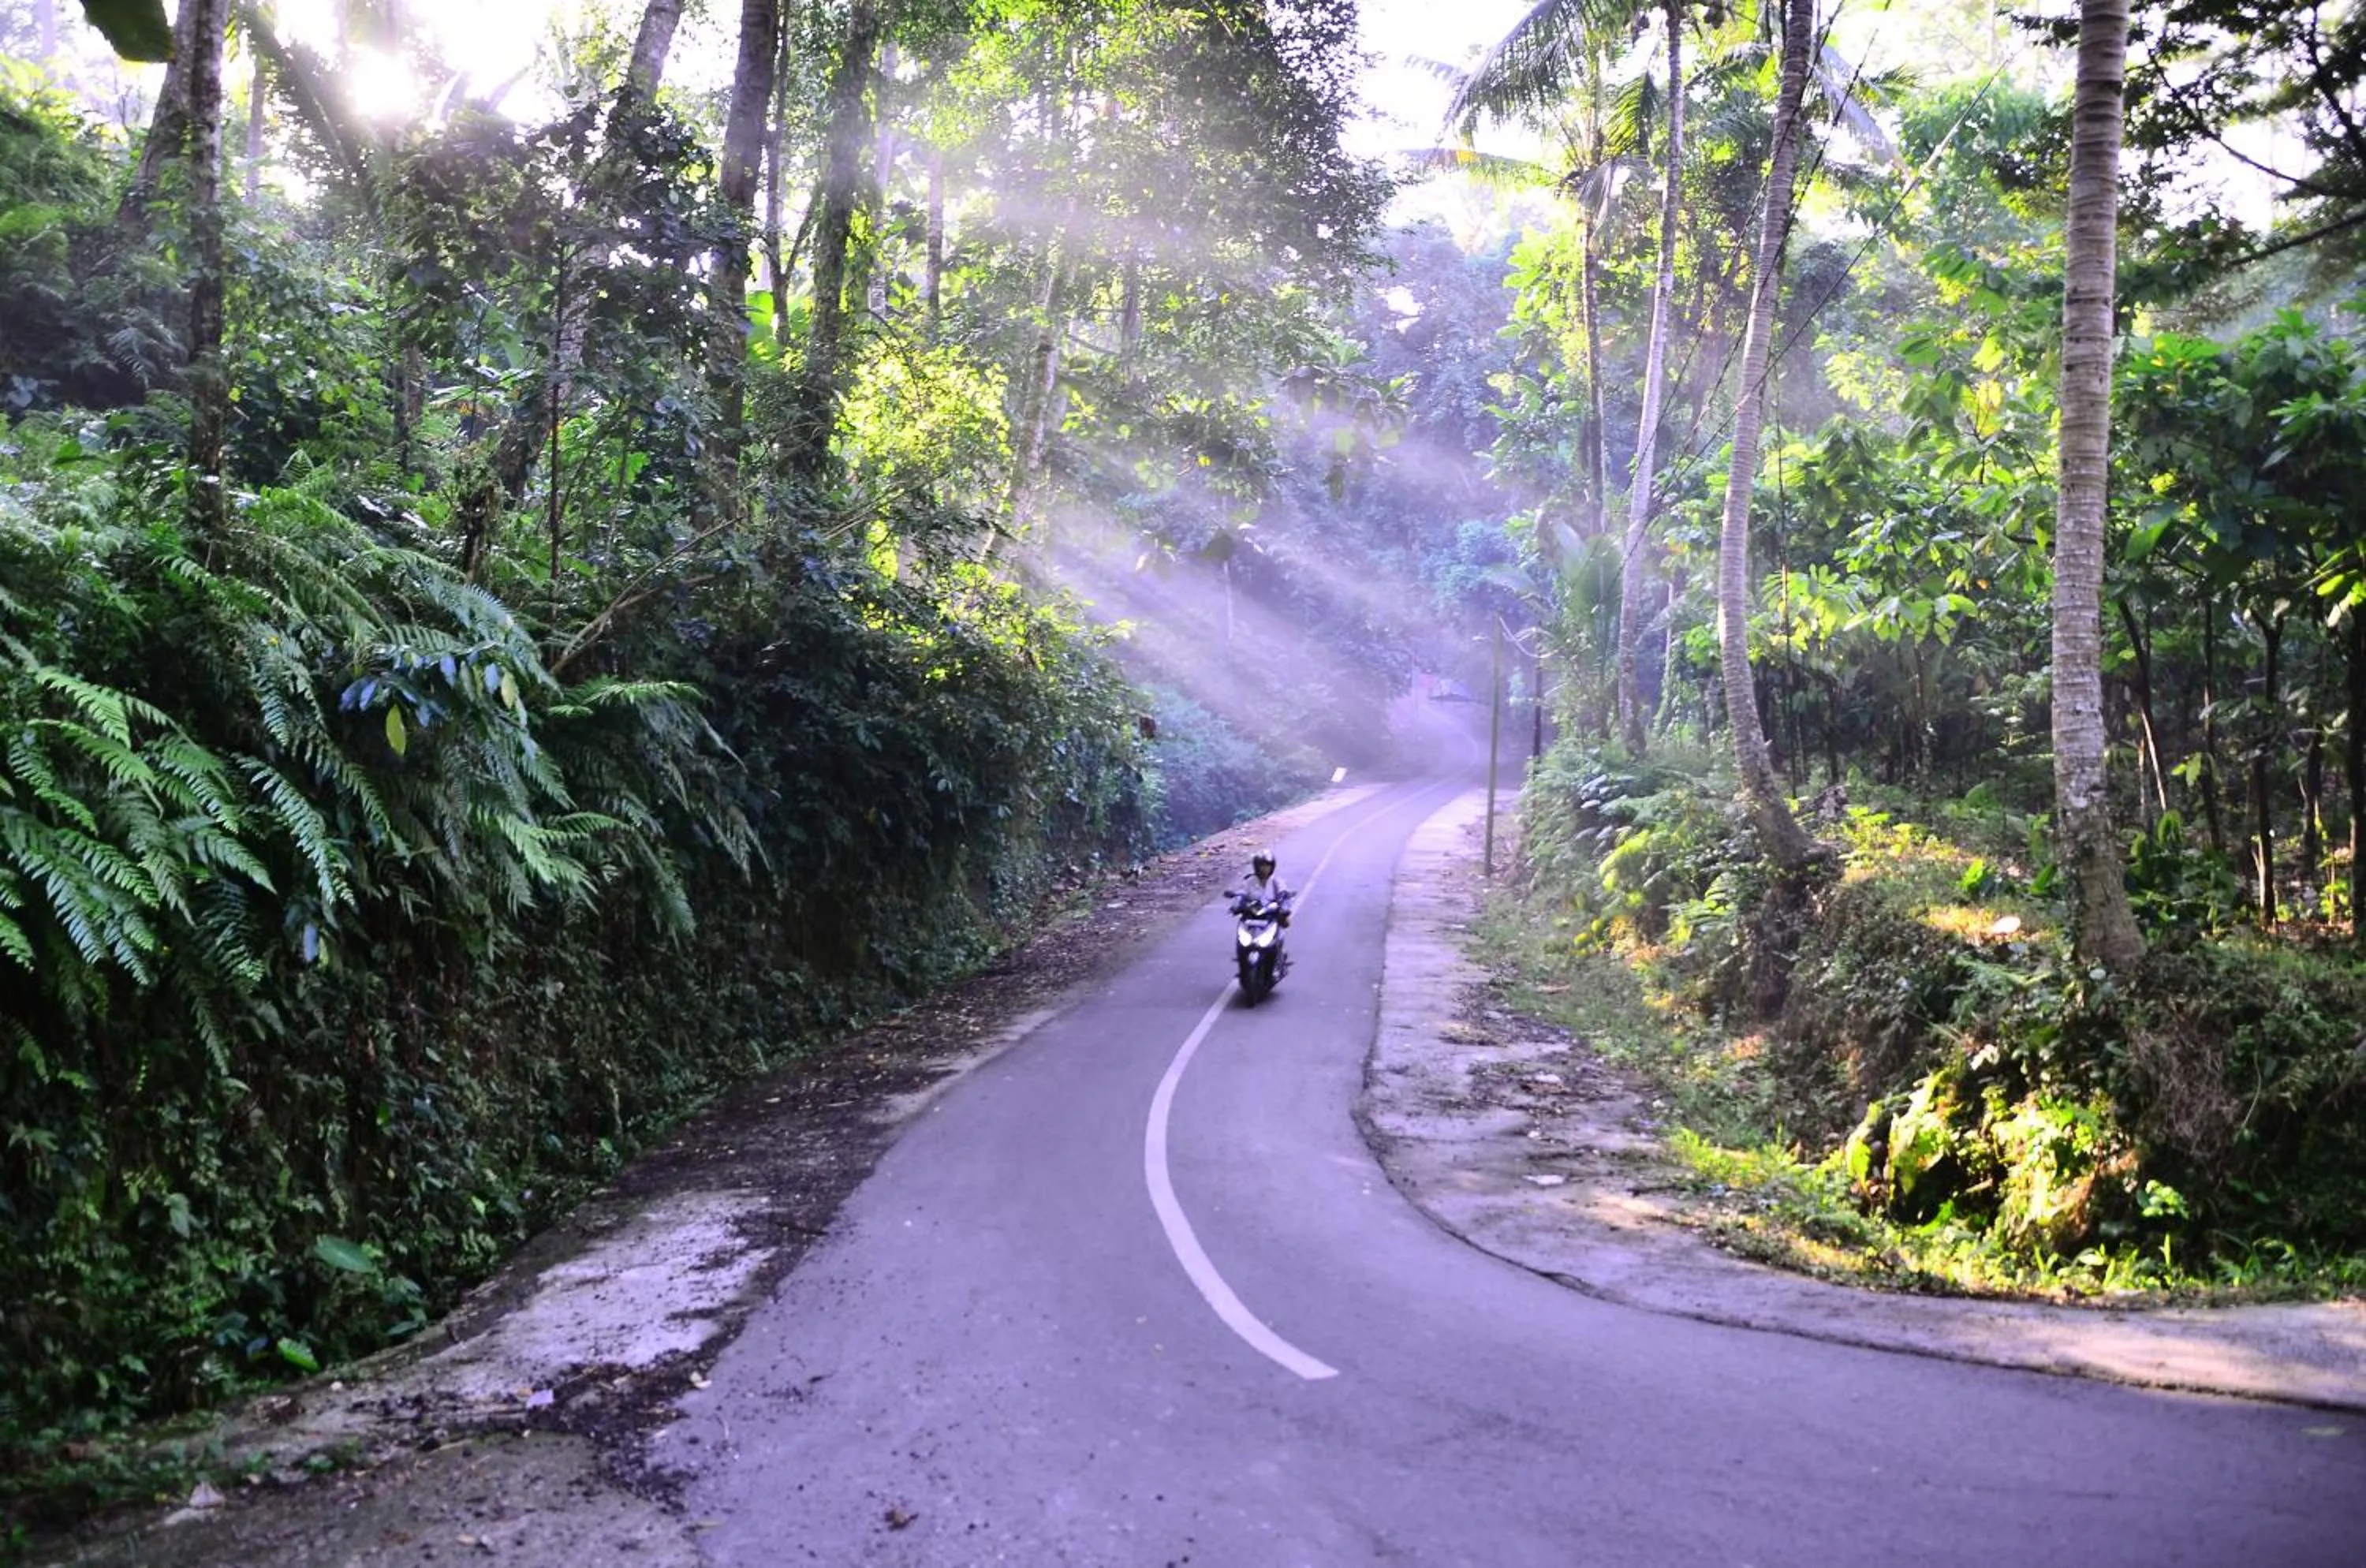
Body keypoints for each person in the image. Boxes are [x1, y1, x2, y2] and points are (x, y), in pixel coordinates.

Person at [1230, 849, 1294, 973]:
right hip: (1252, 915)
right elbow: (1241, 894)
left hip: (1270, 915)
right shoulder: (1249, 881)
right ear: (1256, 866)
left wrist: (1284, 907)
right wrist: (1236, 905)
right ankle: (1243, 960)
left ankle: (1279, 957)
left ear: (1272, 867)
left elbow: (1285, 895)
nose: (1265, 869)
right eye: (1262, 866)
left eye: (1268, 866)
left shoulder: (1276, 882)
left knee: (1283, 926)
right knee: (1242, 939)